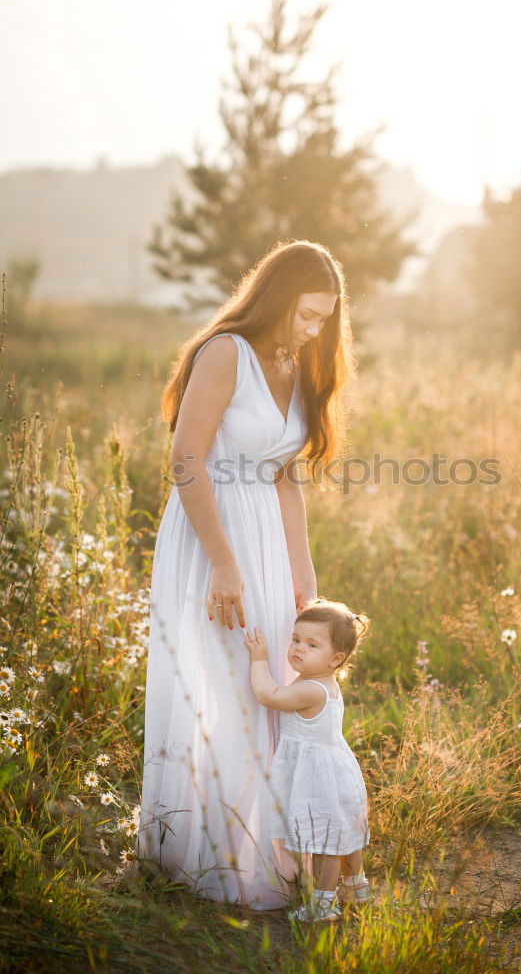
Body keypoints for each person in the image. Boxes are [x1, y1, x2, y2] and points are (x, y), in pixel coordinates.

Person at [136, 240, 354, 910]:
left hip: (266, 532)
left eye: (324, 320)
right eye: (306, 315)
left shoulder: (297, 362)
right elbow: (185, 458)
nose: (314, 330)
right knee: (224, 677)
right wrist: (224, 563)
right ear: (276, 297)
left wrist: (301, 565)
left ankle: (266, 837)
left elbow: (285, 476)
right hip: (210, 534)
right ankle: (212, 852)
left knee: (268, 679)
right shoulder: (225, 352)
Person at [244, 596, 372, 922]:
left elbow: (268, 695)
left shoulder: (311, 690)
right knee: (340, 833)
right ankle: (357, 886)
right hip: (332, 769)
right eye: (296, 639)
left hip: (319, 777)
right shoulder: (320, 680)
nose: (299, 648)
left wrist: (258, 660)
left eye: (312, 644)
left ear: (336, 659)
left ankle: (324, 905)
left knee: (325, 843)